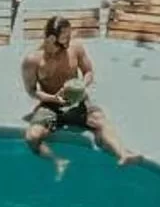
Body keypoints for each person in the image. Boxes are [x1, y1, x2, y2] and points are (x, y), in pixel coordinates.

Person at [22, 16, 138, 167]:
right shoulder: (33, 60)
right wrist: (53, 98)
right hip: (51, 107)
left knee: (100, 122)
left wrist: (82, 85)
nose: (69, 40)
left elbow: (88, 71)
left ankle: (123, 154)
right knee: (32, 137)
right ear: (51, 38)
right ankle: (57, 161)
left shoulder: (75, 48)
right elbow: (31, 91)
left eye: (70, 36)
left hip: (78, 102)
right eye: (65, 38)